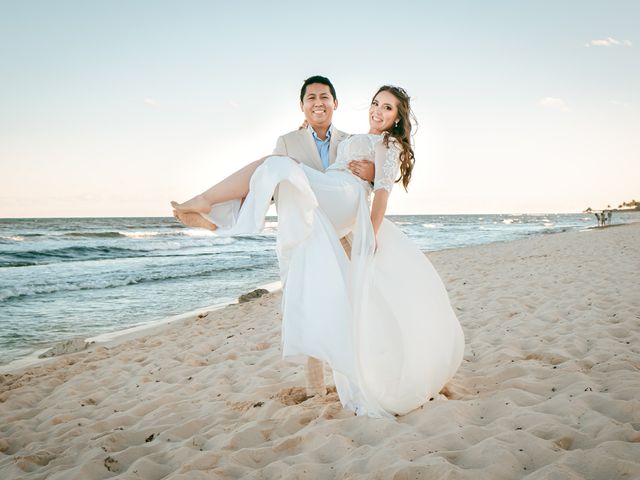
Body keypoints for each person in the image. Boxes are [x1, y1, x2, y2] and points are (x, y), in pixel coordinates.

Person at [172, 85, 465, 418]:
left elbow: (383, 191)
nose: (378, 111)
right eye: (375, 104)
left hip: (344, 197)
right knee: (275, 170)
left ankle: (213, 209)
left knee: (274, 164)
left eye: (387, 108)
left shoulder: (389, 143)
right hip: (330, 200)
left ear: (397, 118)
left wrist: (371, 229)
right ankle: (216, 213)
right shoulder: (353, 137)